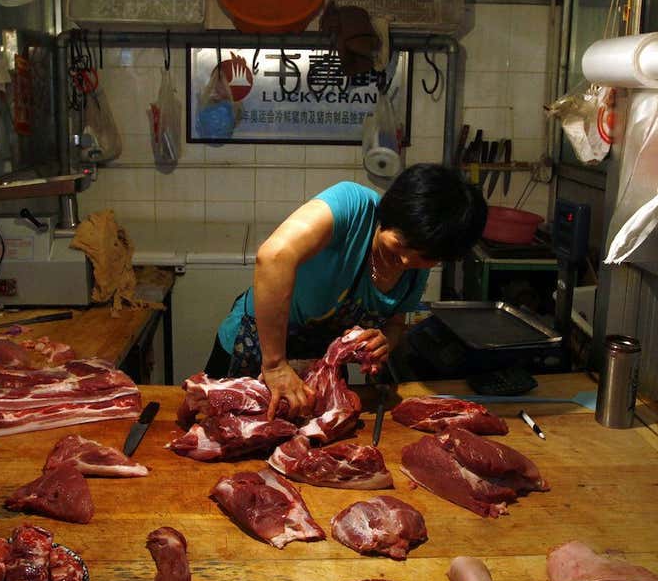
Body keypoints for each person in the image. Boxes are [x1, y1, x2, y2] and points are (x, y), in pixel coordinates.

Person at [209, 163, 488, 417]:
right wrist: (275, 365)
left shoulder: (419, 260)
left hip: (318, 369)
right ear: (389, 214)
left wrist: (384, 342)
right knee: (227, 434)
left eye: (425, 257)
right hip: (258, 347)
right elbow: (273, 257)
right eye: (400, 245)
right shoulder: (352, 205)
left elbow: (396, 323)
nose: (406, 261)